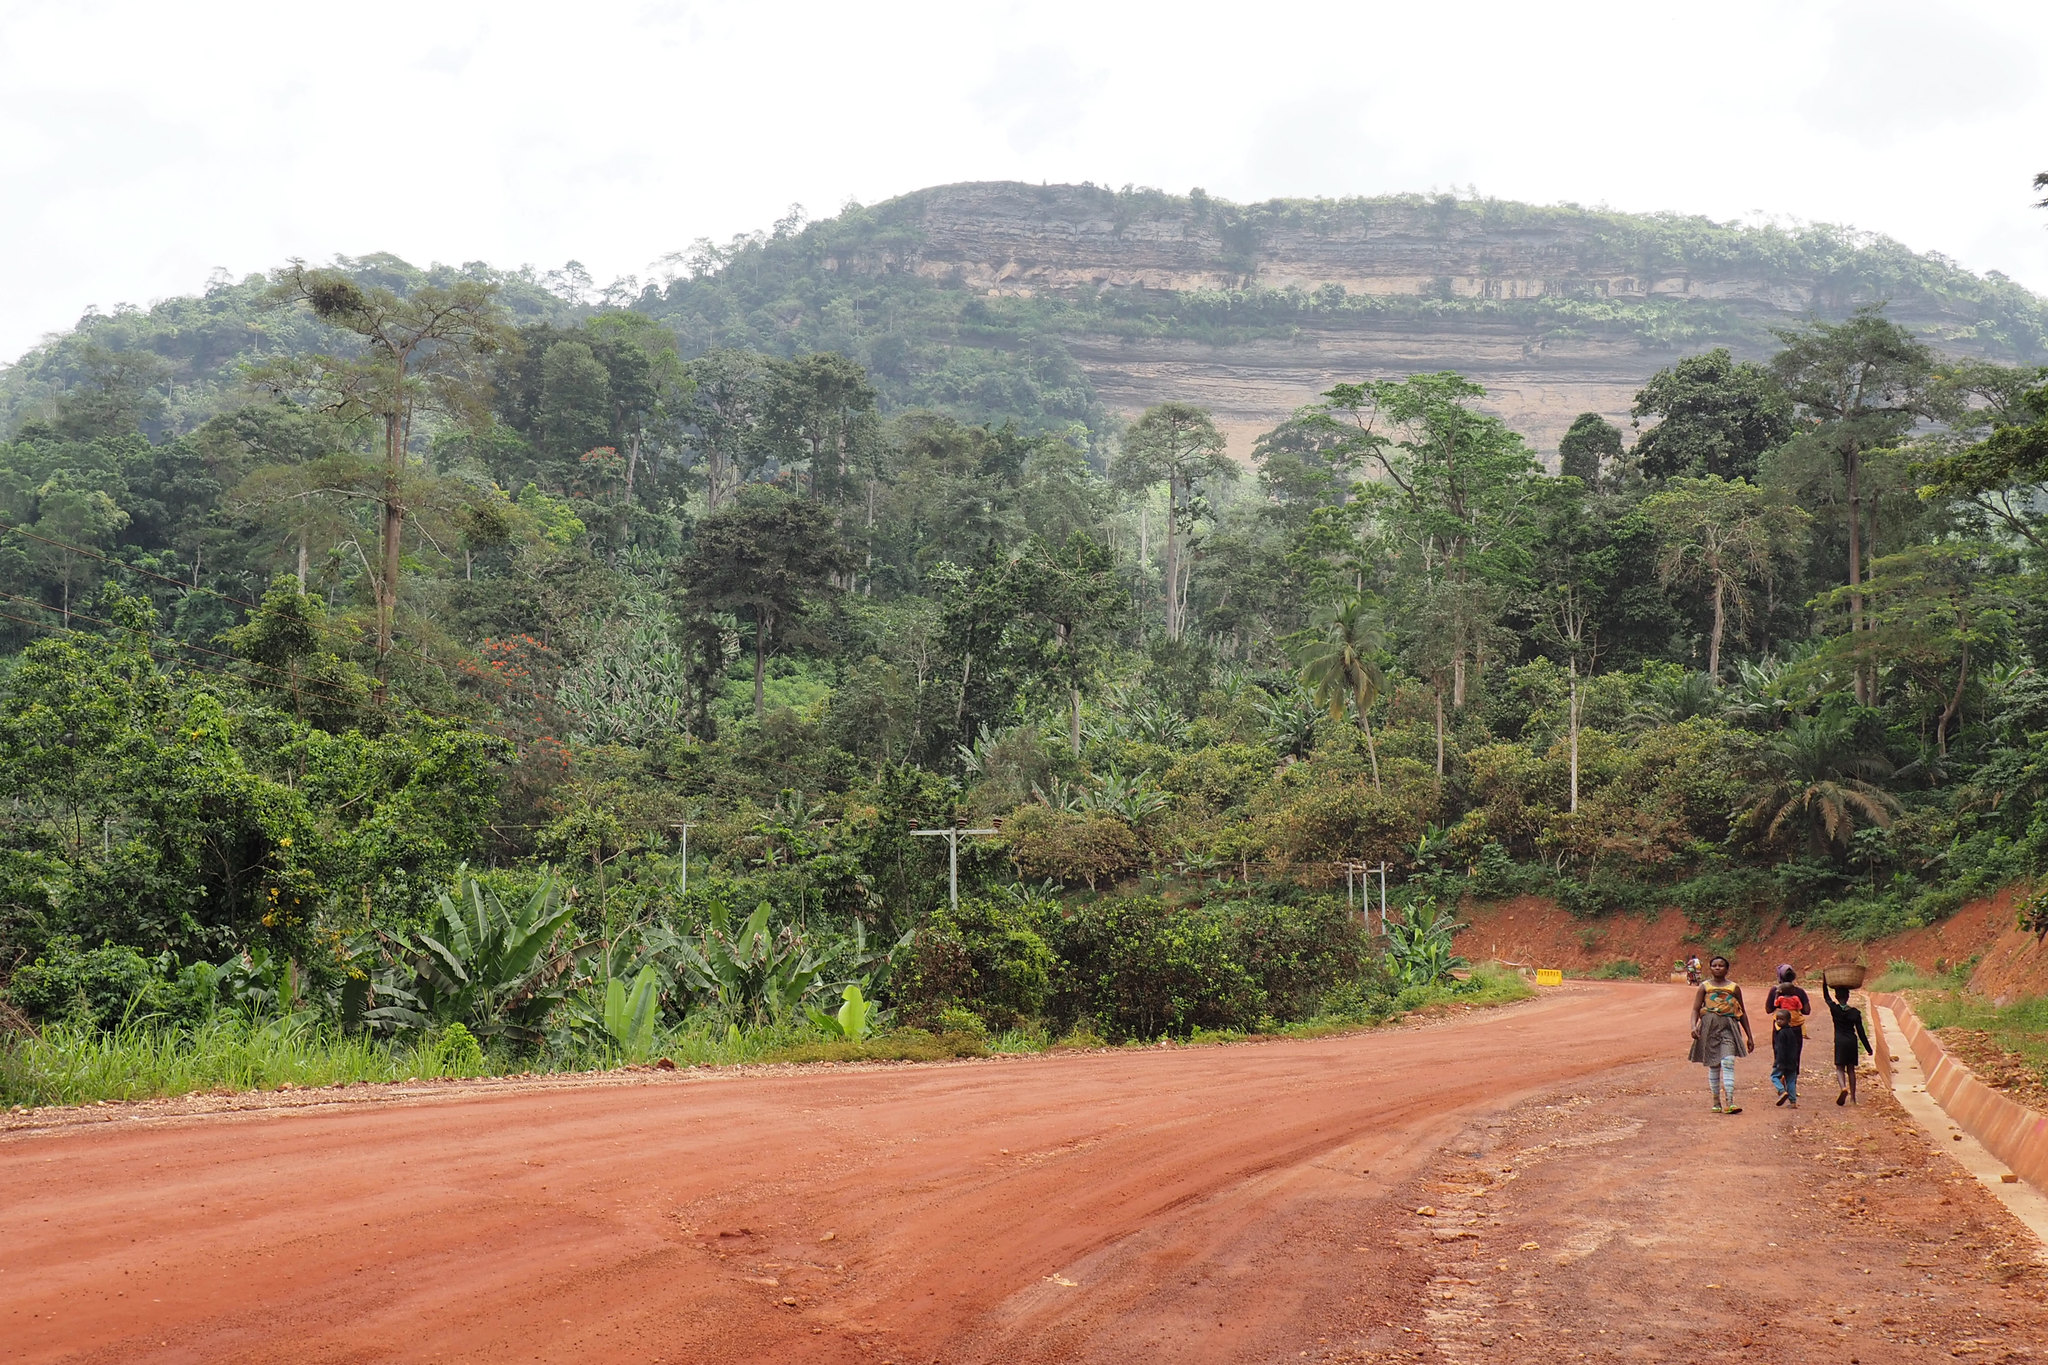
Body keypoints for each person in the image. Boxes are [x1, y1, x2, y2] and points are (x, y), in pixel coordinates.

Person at [1689, 954, 1754, 1114]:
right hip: (1709, 1029)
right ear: (1710, 968)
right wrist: (1693, 1026)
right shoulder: (1704, 987)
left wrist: (1749, 1036)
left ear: (1727, 969)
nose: (1717, 968)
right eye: (1714, 965)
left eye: (1721, 965)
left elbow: (1742, 1012)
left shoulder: (1734, 988)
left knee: (1728, 1061)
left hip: (1729, 1028)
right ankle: (1716, 1101)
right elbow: (1696, 1009)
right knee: (1714, 1064)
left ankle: (1730, 1101)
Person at [1763, 965, 1811, 1108]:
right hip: (1795, 1030)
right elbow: (1807, 1010)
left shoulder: (1775, 990)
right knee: (1794, 1057)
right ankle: (1792, 1094)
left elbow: (1768, 1009)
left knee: (1779, 1054)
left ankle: (1781, 1088)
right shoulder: (1799, 992)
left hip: (1778, 1031)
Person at [1826, 984, 1873, 1106]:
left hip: (1840, 1041)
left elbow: (1826, 998)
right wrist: (1868, 1048)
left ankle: (1843, 1087)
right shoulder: (1855, 1013)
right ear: (1848, 996)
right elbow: (1861, 1032)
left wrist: (1824, 982)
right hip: (1852, 1041)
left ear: (1836, 996)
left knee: (1839, 1068)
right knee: (1851, 1070)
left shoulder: (1834, 1010)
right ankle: (1853, 1098)